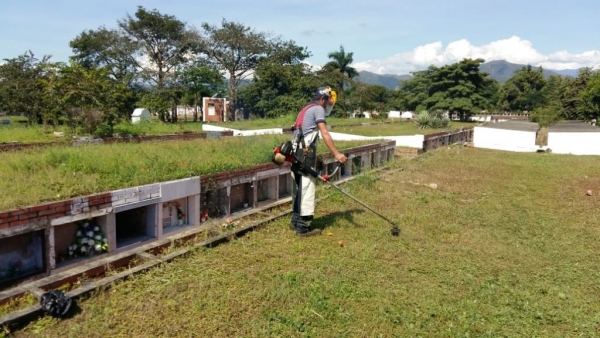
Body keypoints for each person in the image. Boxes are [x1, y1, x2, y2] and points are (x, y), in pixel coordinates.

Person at [290, 86, 348, 237]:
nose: (329, 105)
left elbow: (305, 135)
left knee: (298, 188)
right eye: (329, 101)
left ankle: (295, 221)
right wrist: (337, 153)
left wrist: (318, 158)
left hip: (296, 153)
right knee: (307, 188)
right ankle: (303, 228)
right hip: (304, 153)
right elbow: (324, 132)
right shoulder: (318, 109)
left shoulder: (305, 109)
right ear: (323, 99)